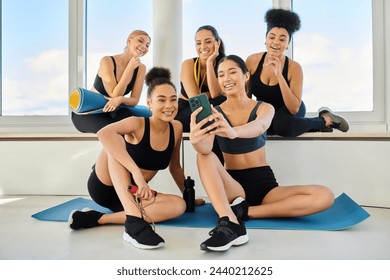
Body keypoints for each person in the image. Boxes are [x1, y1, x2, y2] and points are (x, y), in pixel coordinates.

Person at [190, 55, 334, 252]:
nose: (226, 78)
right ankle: (230, 221)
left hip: (265, 186)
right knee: (203, 155)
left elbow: (260, 126)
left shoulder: (264, 107)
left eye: (232, 72)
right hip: (234, 187)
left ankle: (246, 212)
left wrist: (234, 132)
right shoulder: (214, 113)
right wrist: (197, 140)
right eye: (221, 74)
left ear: (246, 76)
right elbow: (206, 149)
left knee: (325, 195)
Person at [68, 67, 188, 250]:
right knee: (114, 142)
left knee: (179, 205)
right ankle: (133, 226)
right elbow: (104, 133)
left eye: (173, 99)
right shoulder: (137, 123)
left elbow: (175, 167)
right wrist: (137, 174)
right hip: (105, 187)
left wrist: (188, 195)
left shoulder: (176, 128)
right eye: (161, 100)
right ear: (149, 103)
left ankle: (97, 218)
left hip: (134, 192)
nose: (169, 105)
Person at [246, 9, 349, 137]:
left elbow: (293, 108)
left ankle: (326, 120)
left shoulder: (294, 68)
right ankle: (314, 123)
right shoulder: (252, 61)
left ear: (288, 44)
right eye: (272, 37)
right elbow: (246, 97)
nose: (276, 42)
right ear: (265, 40)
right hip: (266, 111)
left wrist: (279, 75)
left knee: (281, 126)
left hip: (290, 108)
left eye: (282, 39)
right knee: (264, 128)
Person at [71, 30, 151, 133]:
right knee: (117, 129)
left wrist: (120, 100)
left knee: (128, 117)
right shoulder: (107, 61)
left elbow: (134, 100)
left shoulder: (141, 68)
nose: (144, 47)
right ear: (129, 40)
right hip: (89, 113)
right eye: (140, 41)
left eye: (147, 45)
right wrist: (129, 69)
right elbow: (114, 94)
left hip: (112, 112)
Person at [175, 25, 227, 162]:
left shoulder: (223, 65)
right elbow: (196, 100)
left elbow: (216, 96)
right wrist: (209, 95)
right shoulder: (188, 64)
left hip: (210, 111)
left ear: (218, 43)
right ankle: (217, 164)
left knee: (220, 104)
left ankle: (218, 165)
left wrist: (210, 63)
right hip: (186, 112)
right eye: (198, 43)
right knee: (218, 106)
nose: (202, 46)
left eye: (208, 41)